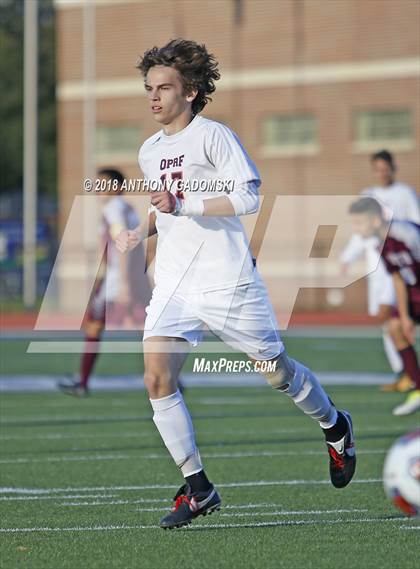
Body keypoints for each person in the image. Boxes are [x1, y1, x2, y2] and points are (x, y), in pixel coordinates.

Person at [116, 39, 356, 530]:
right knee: (157, 378)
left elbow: (248, 197)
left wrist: (183, 206)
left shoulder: (213, 137)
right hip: (176, 286)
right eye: (149, 88)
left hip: (227, 281)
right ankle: (198, 488)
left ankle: (335, 424)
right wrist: (142, 230)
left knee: (276, 373)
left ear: (192, 91)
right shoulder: (149, 150)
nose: (154, 97)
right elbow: (164, 204)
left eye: (164, 87)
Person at [58, 168, 151, 396]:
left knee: (94, 327)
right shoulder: (127, 208)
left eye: (104, 183)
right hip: (131, 278)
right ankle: (168, 378)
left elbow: (124, 245)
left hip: (120, 281)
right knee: (148, 331)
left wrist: (124, 284)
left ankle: (82, 382)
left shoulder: (113, 208)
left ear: (118, 187)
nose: (99, 188)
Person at [341, 150, 420, 393]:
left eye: (385, 167)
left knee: (388, 317)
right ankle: (408, 376)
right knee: (392, 322)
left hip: (413, 271)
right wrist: (348, 256)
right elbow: (396, 275)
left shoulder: (405, 200)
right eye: (378, 168)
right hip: (393, 273)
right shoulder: (377, 234)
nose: (382, 172)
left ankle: (407, 374)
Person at [349, 197, 420, 415]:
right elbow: (398, 279)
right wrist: (406, 316)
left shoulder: (406, 233)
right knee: (395, 327)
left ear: (376, 219)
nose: (356, 228)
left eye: (359, 222)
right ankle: (418, 389)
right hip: (414, 293)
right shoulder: (381, 243)